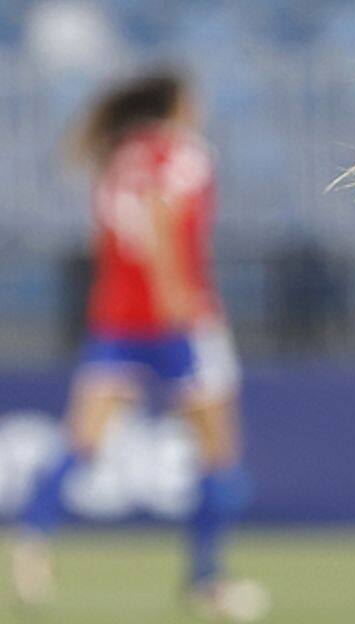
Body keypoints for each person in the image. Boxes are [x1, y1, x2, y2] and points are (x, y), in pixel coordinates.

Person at [9, 71, 265, 622]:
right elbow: (162, 219)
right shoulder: (183, 154)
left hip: (117, 322)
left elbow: (108, 233)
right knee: (219, 453)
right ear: (175, 104)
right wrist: (176, 295)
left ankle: (32, 540)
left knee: (82, 442)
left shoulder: (116, 155)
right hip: (177, 323)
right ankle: (206, 580)